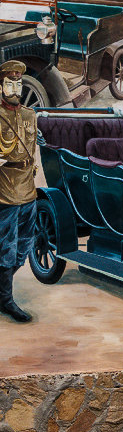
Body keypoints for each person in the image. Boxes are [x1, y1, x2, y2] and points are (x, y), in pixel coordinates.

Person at [0, 61, 40, 324]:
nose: (14, 87)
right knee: (6, 250)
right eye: (9, 83)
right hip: (5, 191)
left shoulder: (29, 115)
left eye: (18, 83)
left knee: (24, 247)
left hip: (28, 189)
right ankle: (6, 301)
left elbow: (33, 146)